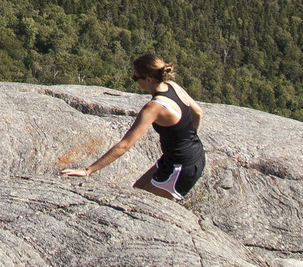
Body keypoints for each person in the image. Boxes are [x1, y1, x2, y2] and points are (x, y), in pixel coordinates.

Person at [63, 53, 204, 199]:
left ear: (148, 80)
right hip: (183, 155)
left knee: (143, 203)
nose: (135, 81)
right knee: (136, 191)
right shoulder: (173, 86)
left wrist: (88, 170)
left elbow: (124, 146)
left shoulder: (154, 107)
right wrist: (190, 139)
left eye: (136, 78)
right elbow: (198, 113)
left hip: (182, 167)